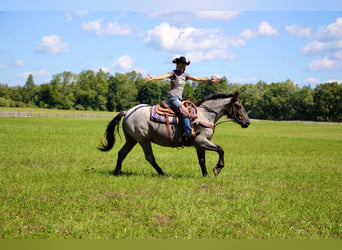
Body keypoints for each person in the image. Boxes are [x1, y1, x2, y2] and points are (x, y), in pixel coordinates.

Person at [145, 56, 220, 145]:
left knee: (191, 111)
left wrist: (209, 79)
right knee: (185, 113)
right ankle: (188, 134)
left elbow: (198, 79)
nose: (182, 66)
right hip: (173, 98)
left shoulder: (185, 76)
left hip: (180, 99)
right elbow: (164, 76)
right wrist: (153, 78)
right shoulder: (173, 73)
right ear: (177, 65)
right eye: (180, 64)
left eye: (183, 65)